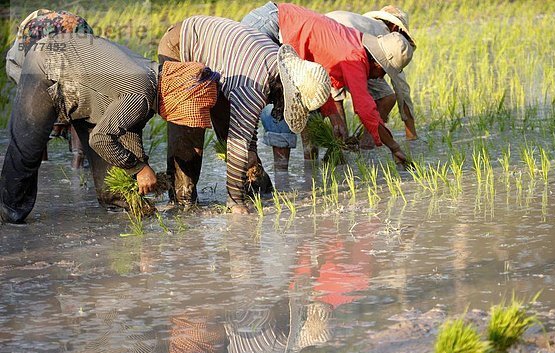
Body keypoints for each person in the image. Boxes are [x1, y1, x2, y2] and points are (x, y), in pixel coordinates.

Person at [0, 33, 218, 224]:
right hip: (47, 64)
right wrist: (139, 169)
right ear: (176, 99)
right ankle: (9, 214)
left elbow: (129, 130)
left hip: (85, 87)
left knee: (111, 176)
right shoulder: (141, 94)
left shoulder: (153, 77)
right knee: (27, 148)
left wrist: (141, 164)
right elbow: (100, 139)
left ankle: (117, 202)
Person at [157, 17, 331, 214]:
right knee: (190, 129)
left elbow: (248, 121)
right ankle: (182, 203)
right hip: (182, 46)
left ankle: (256, 189)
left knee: (235, 131)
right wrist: (235, 201)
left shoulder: (277, 69)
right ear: (284, 90)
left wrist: (251, 152)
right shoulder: (254, 85)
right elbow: (238, 141)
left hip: (218, 56)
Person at [241, 2, 415, 171]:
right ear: (378, 63)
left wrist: (333, 116)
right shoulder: (354, 57)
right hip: (269, 27)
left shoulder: (355, 42)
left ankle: (296, 174)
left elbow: (320, 77)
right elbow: (365, 110)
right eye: (384, 72)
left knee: (306, 104)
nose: (381, 77)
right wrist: (394, 147)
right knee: (279, 101)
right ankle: (280, 180)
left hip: (273, 21)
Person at [5, 9, 94, 168]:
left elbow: (26, 75)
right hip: (77, 25)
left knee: (37, 107)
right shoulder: (69, 21)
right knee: (79, 103)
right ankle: (77, 163)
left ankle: (43, 161)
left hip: (40, 33)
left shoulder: (18, 50)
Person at [326, 6, 418, 147]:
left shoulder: (364, 22)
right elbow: (401, 88)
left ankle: (341, 147)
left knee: (336, 99)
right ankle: (367, 145)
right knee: (387, 98)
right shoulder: (386, 36)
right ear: (395, 27)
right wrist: (411, 135)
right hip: (349, 53)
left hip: (325, 43)